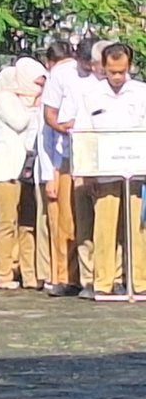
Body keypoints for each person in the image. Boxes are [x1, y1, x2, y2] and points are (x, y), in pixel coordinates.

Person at [74, 43, 146, 299]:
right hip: (104, 172)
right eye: (112, 71)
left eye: (122, 71)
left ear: (129, 67)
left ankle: (138, 281)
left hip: (137, 172)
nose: (117, 77)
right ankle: (103, 282)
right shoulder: (91, 95)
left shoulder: (141, 93)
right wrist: (88, 173)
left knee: (138, 229)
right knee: (104, 229)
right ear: (103, 67)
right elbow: (84, 135)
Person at [0, 59, 46, 290]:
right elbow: (20, 122)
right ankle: (4, 273)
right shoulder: (4, 98)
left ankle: (28, 273)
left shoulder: (33, 103)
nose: (40, 89)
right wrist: (37, 108)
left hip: (28, 172)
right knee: (6, 223)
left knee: (27, 224)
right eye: (37, 83)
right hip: (6, 171)